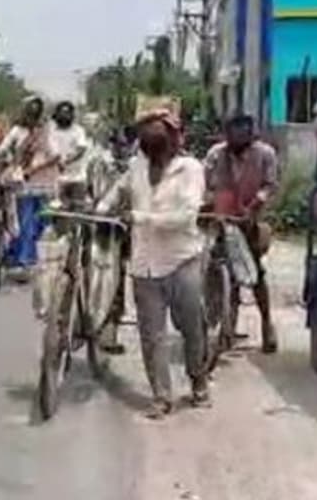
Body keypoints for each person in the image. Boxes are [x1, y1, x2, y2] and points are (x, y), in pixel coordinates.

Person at [96, 107, 209, 418]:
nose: (151, 143)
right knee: (151, 335)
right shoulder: (137, 166)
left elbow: (186, 217)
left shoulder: (190, 169)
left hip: (182, 260)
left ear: (174, 140)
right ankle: (161, 396)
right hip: (144, 264)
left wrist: (140, 217)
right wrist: (101, 210)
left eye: (159, 135)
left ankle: (198, 381)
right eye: (147, 138)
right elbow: (117, 192)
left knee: (191, 328)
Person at [203, 114, 280, 354]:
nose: (236, 138)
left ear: (251, 134)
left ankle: (267, 323)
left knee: (255, 271)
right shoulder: (216, 155)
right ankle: (227, 323)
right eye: (232, 133)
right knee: (220, 268)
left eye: (242, 133)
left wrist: (255, 204)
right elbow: (205, 184)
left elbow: (270, 185)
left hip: (250, 218)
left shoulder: (265, 154)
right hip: (222, 217)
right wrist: (207, 205)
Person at [0, 95, 58, 274]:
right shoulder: (18, 131)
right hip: (24, 183)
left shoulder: (45, 131)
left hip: (41, 181)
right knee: (26, 221)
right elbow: (2, 150)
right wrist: (11, 164)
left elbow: (55, 155)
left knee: (40, 221)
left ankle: (19, 253)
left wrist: (34, 168)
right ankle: (24, 258)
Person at [49, 100, 93, 206]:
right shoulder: (51, 131)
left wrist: (67, 161)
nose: (65, 115)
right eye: (62, 112)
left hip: (77, 178)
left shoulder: (78, 131)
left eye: (67, 113)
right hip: (57, 179)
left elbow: (81, 149)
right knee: (57, 209)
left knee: (78, 208)